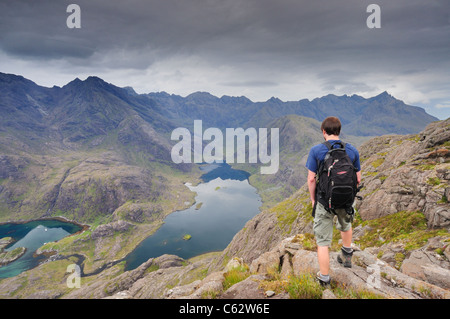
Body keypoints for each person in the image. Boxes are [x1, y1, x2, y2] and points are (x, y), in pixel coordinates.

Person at [305, 116, 361, 286]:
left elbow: (311, 179)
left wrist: (314, 200)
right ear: (339, 131)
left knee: (322, 242)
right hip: (346, 199)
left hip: (324, 200)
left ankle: (324, 279)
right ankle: (346, 256)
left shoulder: (316, 151)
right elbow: (357, 179)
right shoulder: (352, 150)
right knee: (346, 225)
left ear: (323, 132)